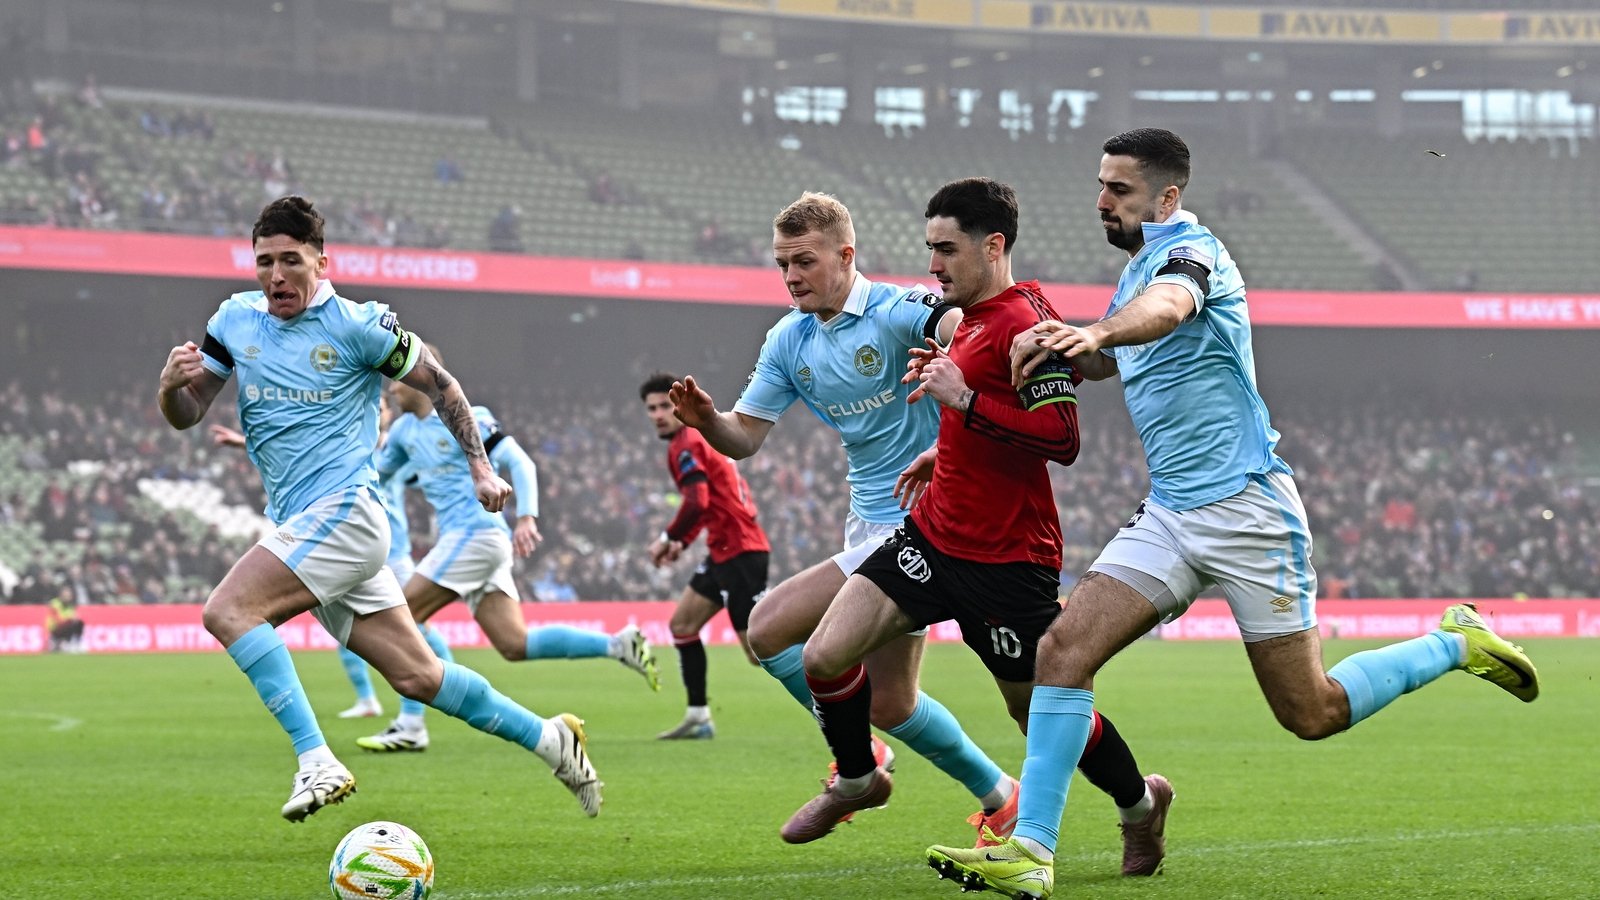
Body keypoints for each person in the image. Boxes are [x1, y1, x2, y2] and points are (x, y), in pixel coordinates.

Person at [926, 128, 1540, 899]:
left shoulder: (1192, 254)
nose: (1101, 201)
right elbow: (1108, 355)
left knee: (1311, 712)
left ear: (1167, 198)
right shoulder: (1136, 273)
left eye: (1118, 189)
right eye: (1101, 185)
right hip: (1172, 514)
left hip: (1248, 510)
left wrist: (1100, 329)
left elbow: (1169, 308)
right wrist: (1050, 360)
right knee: (1062, 653)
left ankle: (1454, 641)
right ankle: (1031, 853)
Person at [738, 182, 1165, 859]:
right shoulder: (964, 319)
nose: (933, 267)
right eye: (929, 249)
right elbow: (977, 412)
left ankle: (1140, 801)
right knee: (821, 654)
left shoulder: (1026, 324)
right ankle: (856, 779)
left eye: (945, 250)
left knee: (1037, 712)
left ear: (992, 247)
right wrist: (946, 446)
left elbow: (1061, 439)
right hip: (930, 537)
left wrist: (962, 402)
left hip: (1006, 558)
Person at [157, 195, 603, 821]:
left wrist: (479, 463)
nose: (276, 275)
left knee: (230, 610)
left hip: (346, 515)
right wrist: (170, 388)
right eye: (264, 262)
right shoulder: (233, 320)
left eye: (291, 261)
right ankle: (552, 738)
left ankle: (316, 759)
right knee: (420, 677)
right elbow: (189, 412)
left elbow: (442, 385)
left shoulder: (361, 325)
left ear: (322, 261)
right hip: (305, 524)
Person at [358, 347, 660, 752]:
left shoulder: (468, 417)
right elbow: (376, 475)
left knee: (401, 619)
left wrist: (527, 517)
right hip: (472, 542)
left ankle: (411, 724)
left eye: (397, 379)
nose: (392, 389)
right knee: (513, 644)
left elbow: (520, 463)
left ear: (421, 377)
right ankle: (616, 644)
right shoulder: (404, 434)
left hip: (475, 535)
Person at [210, 398, 446, 721]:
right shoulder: (346, 450)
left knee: (417, 637)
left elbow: (426, 466)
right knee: (352, 635)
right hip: (348, 549)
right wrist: (245, 444)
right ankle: (373, 702)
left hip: (394, 553)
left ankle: (425, 707)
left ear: (384, 414)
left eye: (379, 405)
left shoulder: (395, 448)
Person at [642, 372, 770, 740]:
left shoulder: (685, 443)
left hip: (740, 552)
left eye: (665, 405)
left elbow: (697, 502)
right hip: (724, 550)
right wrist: (682, 542)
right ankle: (698, 716)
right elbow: (708, 504)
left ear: (679, 404)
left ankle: (838, 674)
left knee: (759, 651)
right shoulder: (700, 440)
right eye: (651, 408)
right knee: (682, 626)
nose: (658, 414)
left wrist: (668, 536)